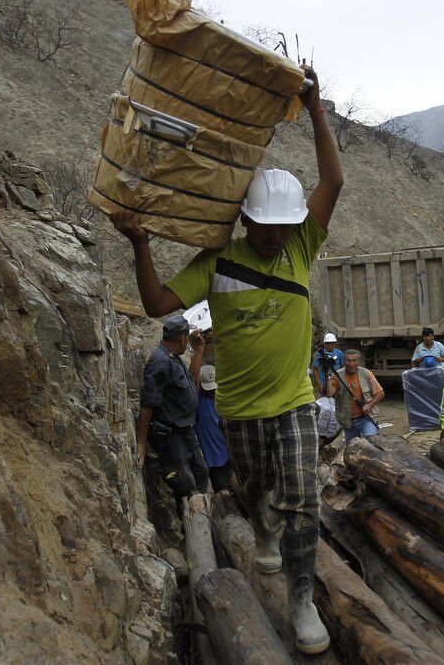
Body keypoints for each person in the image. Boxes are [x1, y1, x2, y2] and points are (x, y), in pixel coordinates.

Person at [110, 65, 338, 655]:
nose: (277, 237)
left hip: (293, 402)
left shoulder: (301, 249)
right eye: (267, 228)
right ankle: (261, 528)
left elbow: (333, 183)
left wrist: (315, 109)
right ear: (246, 221)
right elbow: (157, 302)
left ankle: (303, 598)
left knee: (304, 496)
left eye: (285, 228)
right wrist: (140, 242)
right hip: (239, 410)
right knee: (255, 488)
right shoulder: (218, 262)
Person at [137, 316, 210, 515]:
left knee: (201, 472)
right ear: (183, 339)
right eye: (187, 340)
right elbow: (147, 403)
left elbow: (193, 382)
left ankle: (202, 516)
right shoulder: (160, 362)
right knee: (184, 482)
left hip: (186, 429)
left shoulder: (173, 357)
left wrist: (199, 350)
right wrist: (141, 442)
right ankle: (192, 525)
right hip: (171, 435)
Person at [325, 349, 385, 442]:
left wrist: (370, 405)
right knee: (352, 448)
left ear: (359, 361)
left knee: (371, 441)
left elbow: (380, 393)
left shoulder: (366, 373)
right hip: (349, 421)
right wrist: (328, 373)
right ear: (344, 361)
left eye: (354, 360)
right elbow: (329, 393)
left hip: (366, 418)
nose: (351, 364)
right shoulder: (337, 375)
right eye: (348, 360)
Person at [194, 364, 232, 492]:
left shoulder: (224, 397)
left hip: (230, 454)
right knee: (223, 493)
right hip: (214, 459)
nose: (211, 391)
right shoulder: (197, 401)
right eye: (208, 388)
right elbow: (192, 377)